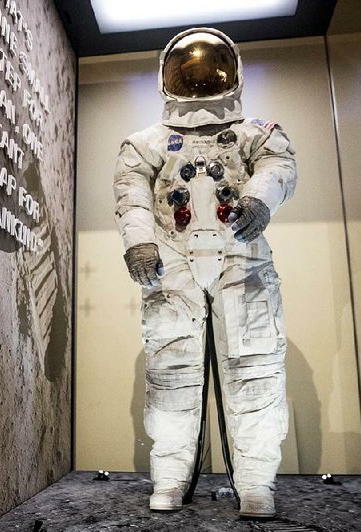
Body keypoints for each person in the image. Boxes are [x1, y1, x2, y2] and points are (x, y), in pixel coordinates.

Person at [113, 27, 297, 518]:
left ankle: (257, 483)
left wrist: (258, 199)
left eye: (208, 71)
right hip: (171, 267)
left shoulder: (259, 132)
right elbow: (130, 197)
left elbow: (279, 166)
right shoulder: (145, 143)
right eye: (187, 72)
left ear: (231, 73)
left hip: (243, 260)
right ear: (167, 77)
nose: (198, 82)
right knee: (171, 376)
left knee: (255, 371)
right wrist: (140, 244)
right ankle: (170, 479)